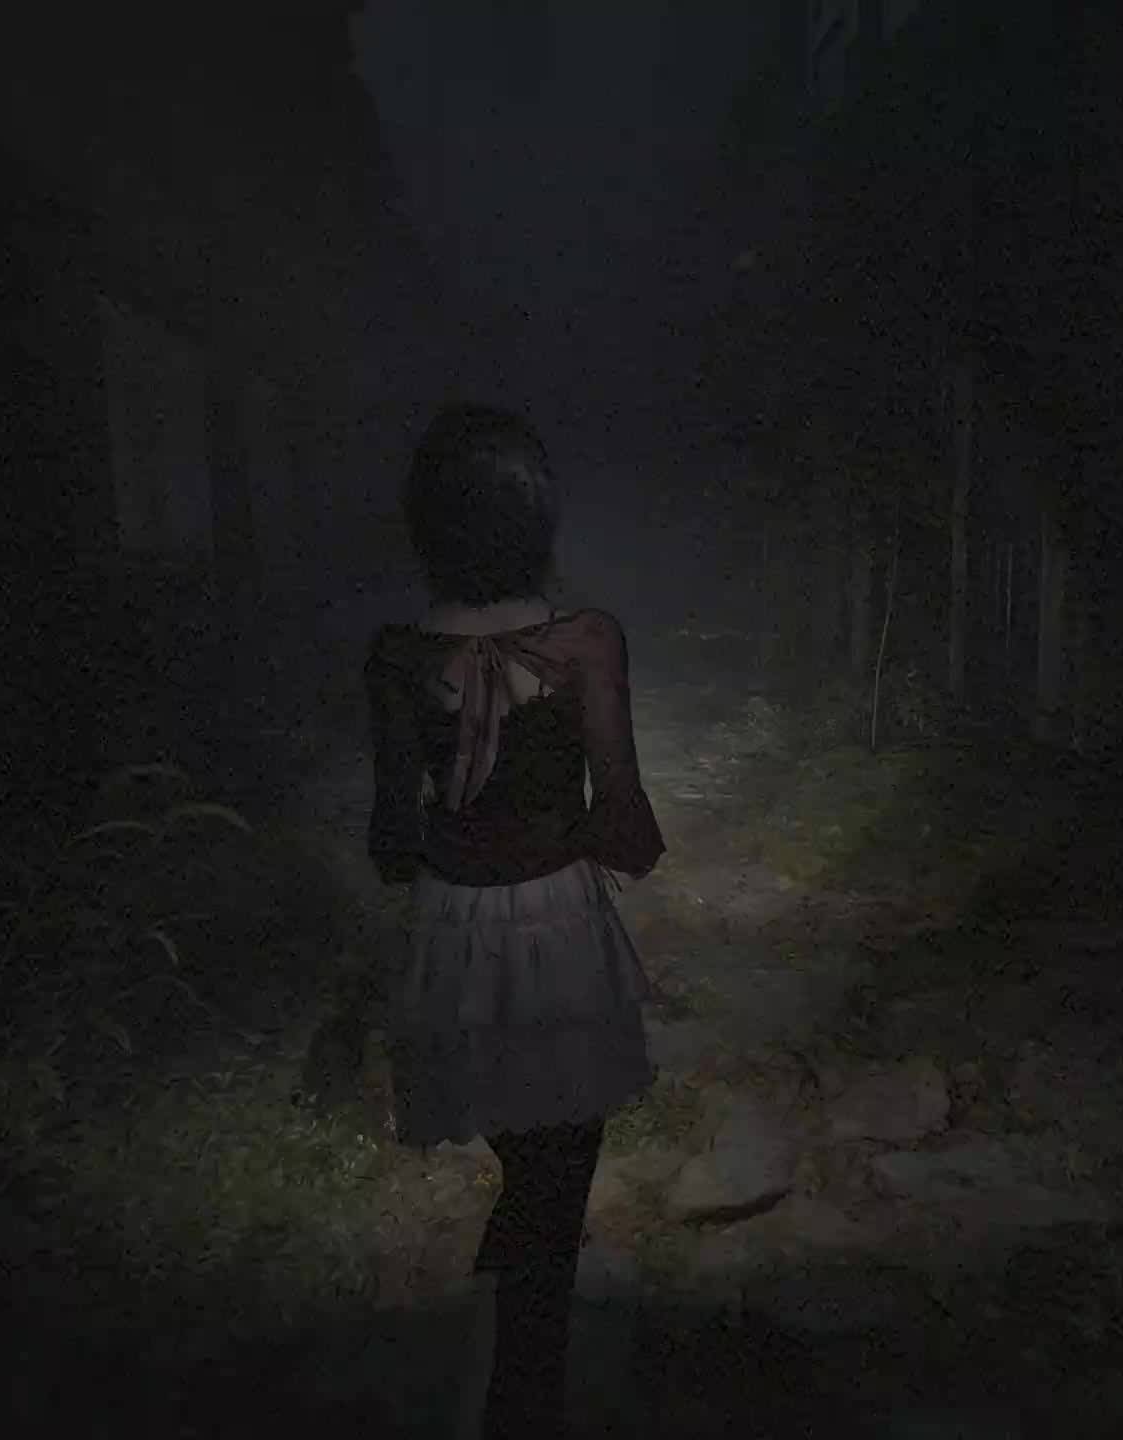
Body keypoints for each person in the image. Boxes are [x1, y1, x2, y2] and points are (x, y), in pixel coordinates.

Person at [363, 403, 665, 1439]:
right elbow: (629, 831)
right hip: (556, 934)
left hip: (454, 944)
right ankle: (516, 1399)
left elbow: (390, 846)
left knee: (531, 1182)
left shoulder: (395, 656)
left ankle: (505, 1384)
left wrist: (463, 816)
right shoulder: (585, 642)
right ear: (538, 519)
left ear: (425, 526)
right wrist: (564, 824)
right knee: (553, 1187)